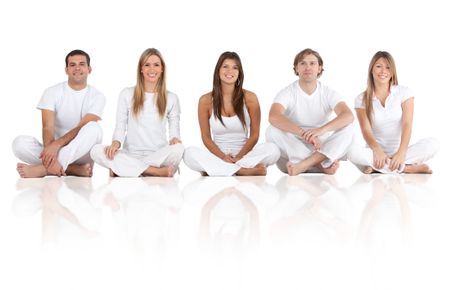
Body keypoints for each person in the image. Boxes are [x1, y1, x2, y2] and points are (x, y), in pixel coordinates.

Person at [90, 48, 183, 177]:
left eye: (156, 65)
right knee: (95, 151)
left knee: (179, 149)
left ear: (162, 69)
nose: (152, 69)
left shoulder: (171, 98)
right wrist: (115, 143)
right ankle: (154, 171)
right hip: (131, 153)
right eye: (147, 65)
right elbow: (120, 125)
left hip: (158, 155)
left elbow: (174, 131)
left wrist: (174, 140)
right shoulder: (127, 94)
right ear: (141, 69)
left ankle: (124, 169)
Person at [183, 51, 280, 176]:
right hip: (218, 156)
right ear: (218, 71)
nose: (230, 71)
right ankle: (242, 171)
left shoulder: (250, 98)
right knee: (188, 154)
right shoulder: (205, 100)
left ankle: (218, 170)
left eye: (235, 68)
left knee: (273, 149)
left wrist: (239, 157)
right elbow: (206, 138)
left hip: (245, 155)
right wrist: (223, 157)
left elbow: (255, 135)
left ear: (239, 73)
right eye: (225, 66)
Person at [12, 49, 106, 178]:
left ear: (89, 69)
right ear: (66, 70)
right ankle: (72, 169)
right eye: (72, 65)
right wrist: (50, 150)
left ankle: (45, 170)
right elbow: (47, 127)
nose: (77, 68)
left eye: (81, 64)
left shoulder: (98, 96)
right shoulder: (51, 92)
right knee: (19, 144)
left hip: (81, 152)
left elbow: (81, 128)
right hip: (54, 152)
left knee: (94, 128)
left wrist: (57, 144)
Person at [347, 51, 439, 174]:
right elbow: (366, 130)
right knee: (350, 150)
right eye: (379, 66)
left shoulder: (404, 92)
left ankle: (380, 169)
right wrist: (377, 150)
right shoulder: (361, 99)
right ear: (371, 70)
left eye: (388, 67)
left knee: (433, 144)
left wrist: (401, 153)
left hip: (401, 153)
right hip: (375, 154)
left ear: (392, 71)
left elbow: (407, 124)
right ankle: (405, 168)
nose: (383, 71)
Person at [266, 48, 354, 175]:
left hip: (320, 148)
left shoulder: (328, 92)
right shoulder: (287, 92)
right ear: (296, 68)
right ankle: (319, 165)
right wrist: (304, 134)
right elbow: (274, 116)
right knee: (271, 130)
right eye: (303, 63)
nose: (308, 67)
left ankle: (305, 165)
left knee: (350, 127)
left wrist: (320, 130)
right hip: (292, 151)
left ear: (319, 68)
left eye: (312, 63)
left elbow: (347, 115)